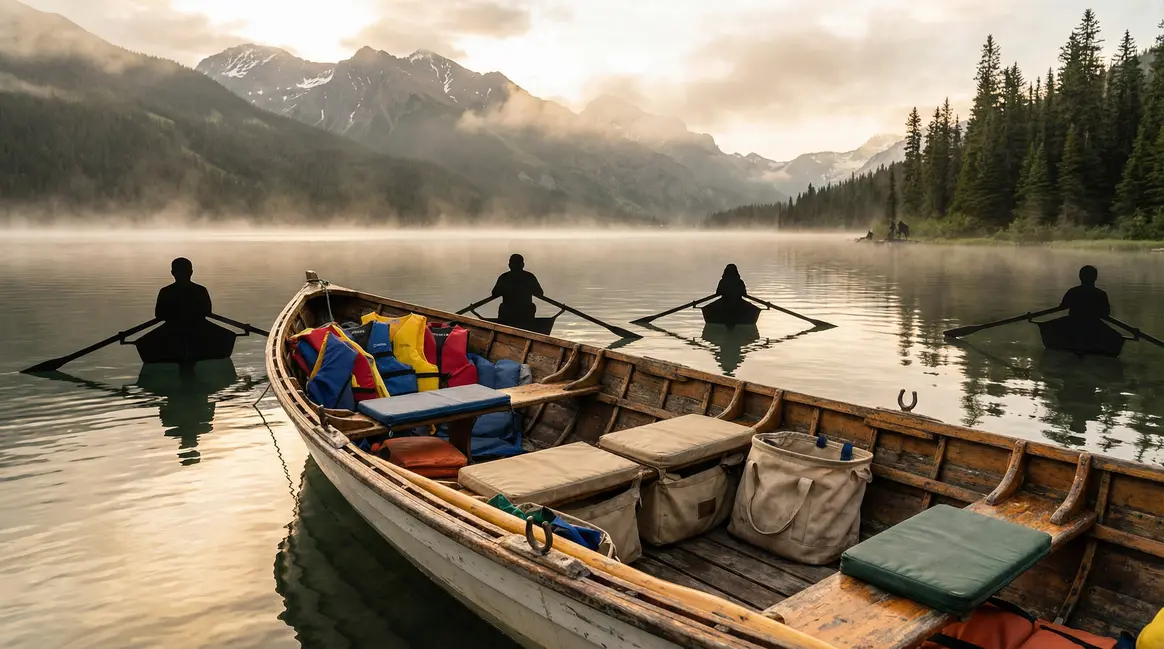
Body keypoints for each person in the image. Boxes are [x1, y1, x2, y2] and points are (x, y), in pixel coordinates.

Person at [491, 254, 544, 329]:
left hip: (508, 313)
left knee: (502, 307)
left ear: (509, 265)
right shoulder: (529, 277)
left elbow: (494, 294)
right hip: (525, 312)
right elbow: (540, 293)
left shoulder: (504, 277)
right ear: (522, 265)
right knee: (532, 306)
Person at [155, 257, 212, 326]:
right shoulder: (201, 290)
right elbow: (208, 312)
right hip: (199, 328)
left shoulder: (165, 291)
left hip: (172, 329)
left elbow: (159, 315)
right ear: (191, 272)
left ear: (172, 273)